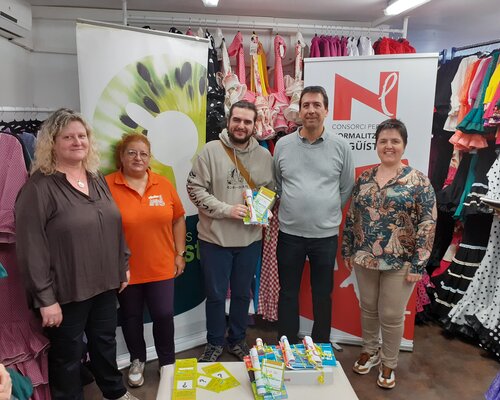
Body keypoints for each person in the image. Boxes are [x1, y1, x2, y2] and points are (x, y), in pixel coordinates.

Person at [15, 108, 138, 400]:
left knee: (105, 343)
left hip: (104, 283)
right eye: (68, 137)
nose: (77, 142)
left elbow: (114, 224)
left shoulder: (96, 178)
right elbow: (31, 247)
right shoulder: (38, 187)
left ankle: (115, 392)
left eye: (82, 136)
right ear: (52, 143)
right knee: (67, 356)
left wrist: (122, 264)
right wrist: (46, 299)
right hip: (65, 292)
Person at [342, 118, 436, 389]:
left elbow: (428, 223)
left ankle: (388, 362)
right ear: (376, 145)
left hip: (401, 261)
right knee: (368, 308)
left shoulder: (418, 181)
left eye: (395, 141)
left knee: (392, 314)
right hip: (365, 257)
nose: (389, 146)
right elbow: (353, 216)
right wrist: (348, 248)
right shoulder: (364, 178)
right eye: (383, 141)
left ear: (404, 145)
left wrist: (418, 263)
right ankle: (370, 351)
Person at [187, 100, 274, 362]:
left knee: (241, 294)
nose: (241, 125)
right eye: (237, 120)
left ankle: (237, 340)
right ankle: (214, 342)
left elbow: (270, 189)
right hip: (214, 239)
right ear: (228, 121)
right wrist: (226, 210)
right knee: (215, 296)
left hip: (249, 241)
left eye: (247, 121)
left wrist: (261, 208)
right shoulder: (210, 151)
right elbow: (194, 189)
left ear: (254, 125)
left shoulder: (264, 156)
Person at [274, 86, 355, 344]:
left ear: (326, 110)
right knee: (288, 292)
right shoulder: (283, 145)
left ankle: (320, 347)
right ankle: (286, 344)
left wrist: (326, 210)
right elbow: (278, 184)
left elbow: (346, 187)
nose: (311, 110)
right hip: (289, 234)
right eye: (306, 105)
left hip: (325, 236)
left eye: (316, 105)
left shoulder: (341, 147)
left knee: (322, 294)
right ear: (299, 111)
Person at [106, 133, 186, 387]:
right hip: (125, 269)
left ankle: (167, 362)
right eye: (131, 152)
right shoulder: (107, 185)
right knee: (131, 318)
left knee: (164, 314)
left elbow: (178, 219)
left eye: (143, 153)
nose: (138, 158)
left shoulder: (163, 184)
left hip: (161, 265)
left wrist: (180, 253)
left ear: (150, 158)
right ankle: (137, 360)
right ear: (121, 156)